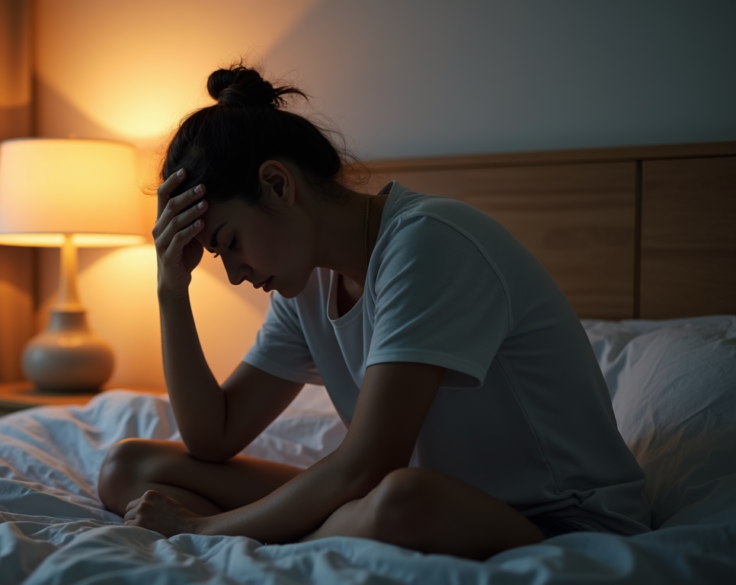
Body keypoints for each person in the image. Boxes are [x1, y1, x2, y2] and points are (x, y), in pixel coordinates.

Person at [96, 64, 650, 560]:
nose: (236, 273)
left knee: (403, 498)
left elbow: (368, 463)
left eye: (230, 241)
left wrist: (205, 528)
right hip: (411, 495)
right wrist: (172, 287)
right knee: (130, 468)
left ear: (277, 184)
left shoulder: (429, 242)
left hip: (562, 522)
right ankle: (315, 528)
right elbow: (211, 438)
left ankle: (284, 536)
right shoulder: (305, 283)